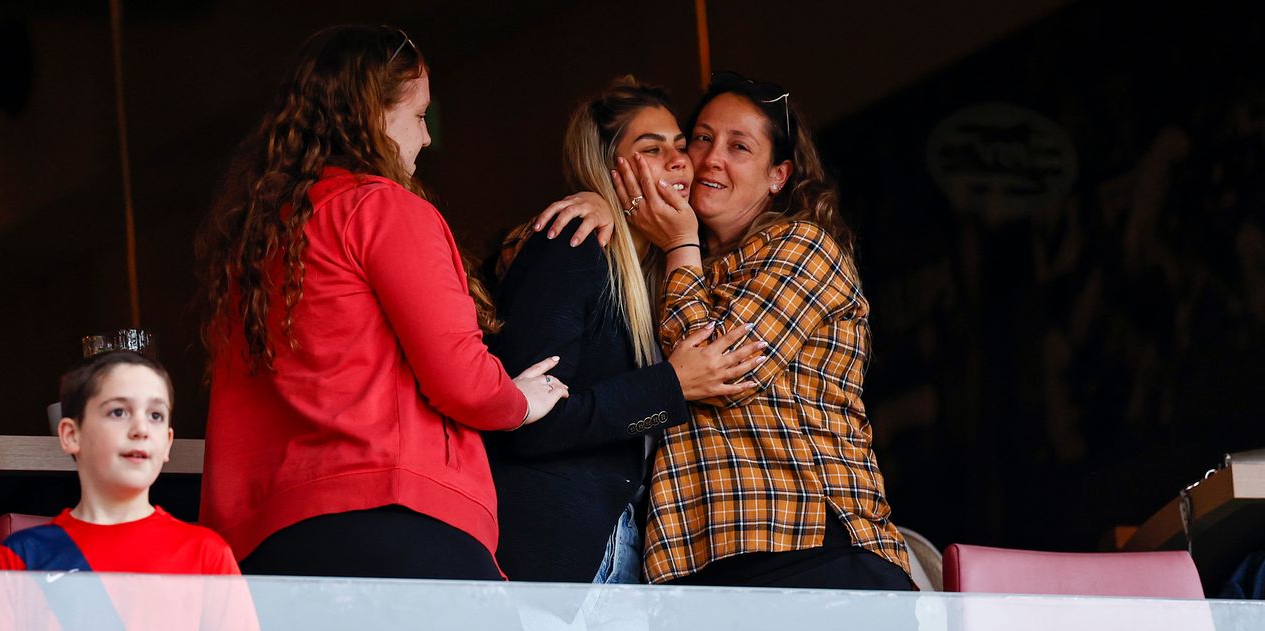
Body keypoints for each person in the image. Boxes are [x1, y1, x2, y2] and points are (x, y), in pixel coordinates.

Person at [195, 25, 569, 580]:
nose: (427, 139)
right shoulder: (382, 208)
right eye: (419, 116)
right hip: (397, 520)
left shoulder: (254, 239)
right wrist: (516, 401)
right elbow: (459, 379)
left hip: (267, 549)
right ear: (372, 114)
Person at [614, 72, 913, 590]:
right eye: (702, 138)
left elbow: (719, 369)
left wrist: (681, 241)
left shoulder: (803, 246)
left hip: (815, 553)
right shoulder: (673, 269)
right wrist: (605, 207)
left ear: (778, 176)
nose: (711, 159)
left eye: (739, 147)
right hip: (698, 568)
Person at [487, 77, 765, 584]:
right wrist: (670, 387)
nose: (681, 161)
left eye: (682, 147)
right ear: (608, 167)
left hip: (627, 546)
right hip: (554, 550)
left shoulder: (663, 279)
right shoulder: (573, 243)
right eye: (652, 149)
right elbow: (527, 421)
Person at [0, 351, 270, 631]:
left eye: (155, 414)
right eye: (118, 412)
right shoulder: (21, 556)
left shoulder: (206, 552)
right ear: (71, 435)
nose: (140, 428)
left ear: (167, 443)